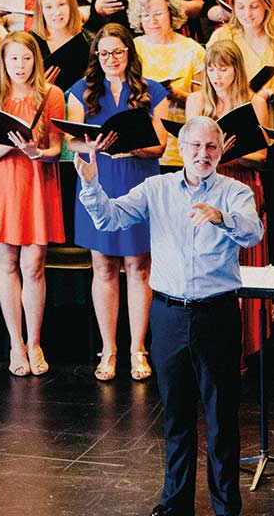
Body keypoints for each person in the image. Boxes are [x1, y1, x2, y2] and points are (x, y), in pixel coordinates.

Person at [75, 115, 262, 516]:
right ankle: (175, 504)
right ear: (181, 148)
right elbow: (109, 219)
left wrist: (221, 217)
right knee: (176, 417)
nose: (202, 154)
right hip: (169, 314)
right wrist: (91, 184)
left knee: (221, 418)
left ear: (221, 150)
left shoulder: (235, 192)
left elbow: (253, 232)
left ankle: (227, 506)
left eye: (211, 147)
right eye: (195, 146)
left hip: (218, 314)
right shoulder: (156, 188)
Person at [66, 22, 170, 382]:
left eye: (118, 52)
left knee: (139, 266)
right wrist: (91, 146)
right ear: (96, 55)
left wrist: (133, 146)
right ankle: (109, 348)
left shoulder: (152, 91)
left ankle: (137, 348)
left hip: (138, 178)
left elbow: (160, 145)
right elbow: (72, 141)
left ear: (129, 53)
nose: (111, 59)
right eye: (104, 52)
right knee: (104, 266)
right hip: (101, 180)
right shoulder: (81, 90)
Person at [0, 31, 65, 375]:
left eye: (26, 58)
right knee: (7, 264)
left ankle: (35, 341)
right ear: (3, 61)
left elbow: (57, 148)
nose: (20, 65)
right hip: (1, 184)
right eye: (13, 58)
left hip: (36, 183)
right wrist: (10, 147)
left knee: (34, 265)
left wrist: (36, 152)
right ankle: (16, 343)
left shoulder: (51, 94)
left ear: (36, 61)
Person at [184, 41, 269, 369]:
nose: (217, 75)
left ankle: (243, 352)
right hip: (206, 190)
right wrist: (213, 153)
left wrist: (227, 153)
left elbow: (261, 156)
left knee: (242, 270)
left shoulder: (254, 101)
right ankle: (207, 349)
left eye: (224, 68)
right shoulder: (197, 101)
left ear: (237, 69)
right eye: (211, 68)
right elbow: (192, 155)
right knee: (208, 268)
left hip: (242, 187)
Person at [130, 0, 205, 168]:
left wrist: (178, 96)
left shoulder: (192, 50)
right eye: (145, 16)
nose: (152, 21)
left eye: (158, 14)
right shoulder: (133, 48)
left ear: (171, 12)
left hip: (180, 144)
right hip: (143, 145)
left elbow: (206, 102)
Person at [207, 0, 274, 126]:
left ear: (266, 5)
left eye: (254, 6)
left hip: (271, 115)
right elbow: (209, 81)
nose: (247, 14)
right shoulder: (222, 35)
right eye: (241, 7)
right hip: (231, 115)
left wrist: (266, 95)